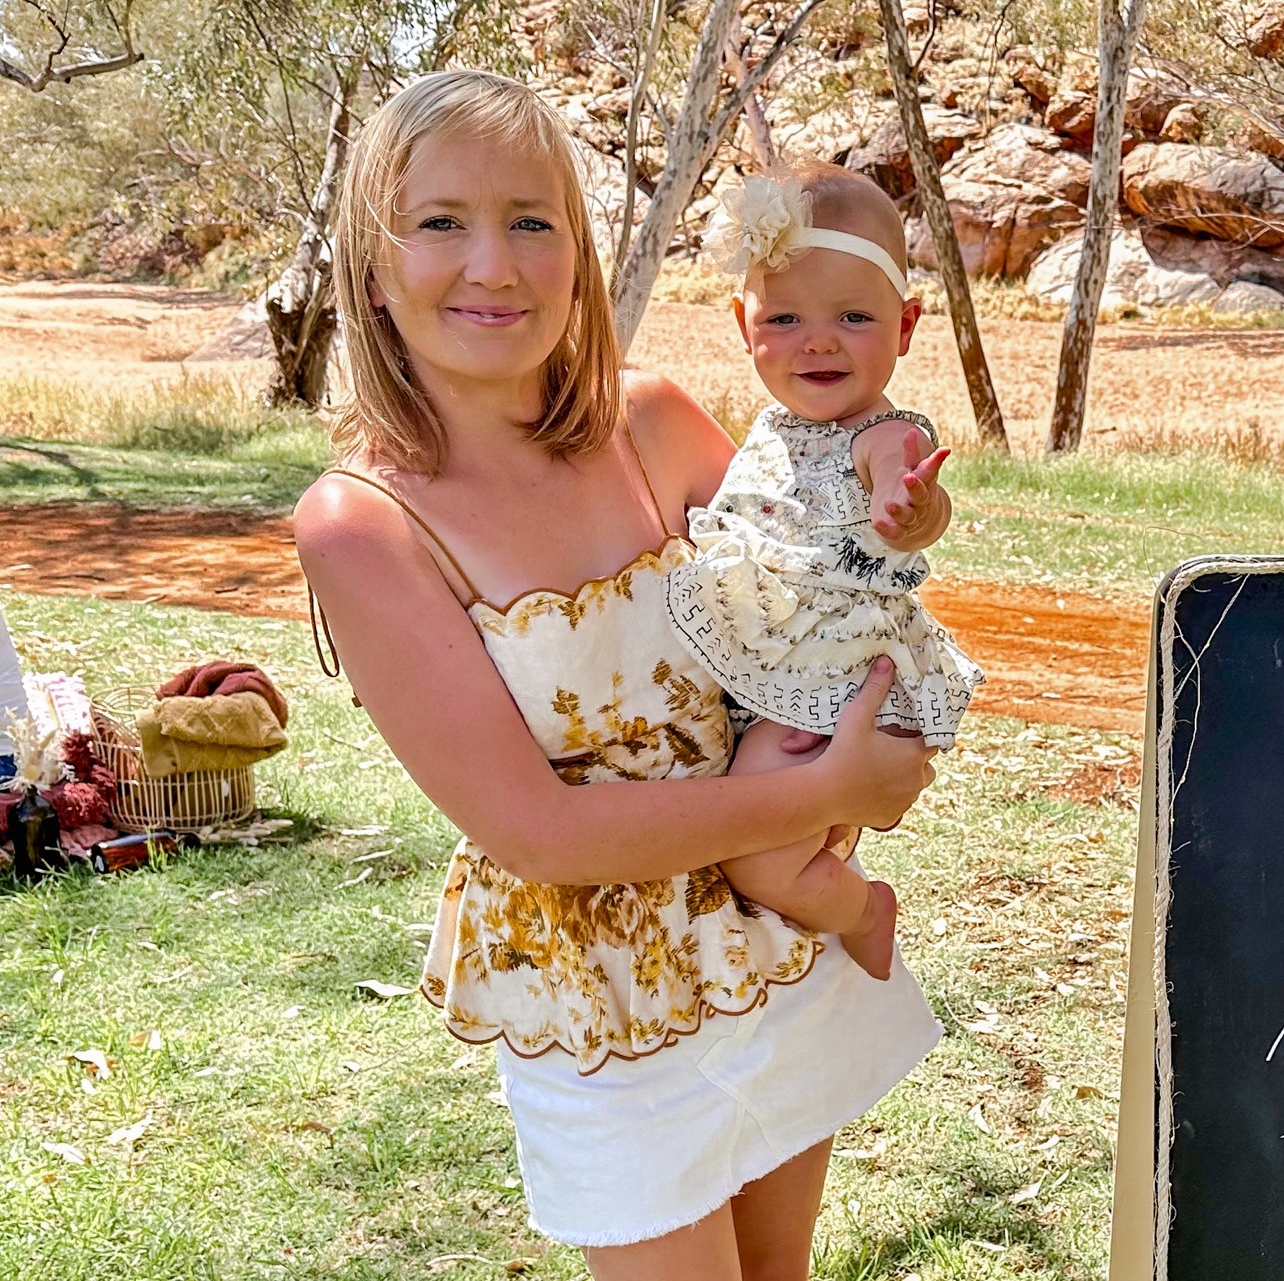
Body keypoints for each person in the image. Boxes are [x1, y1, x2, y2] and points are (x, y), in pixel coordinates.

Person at [292, 69, 942, 1280]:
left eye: (532, 220)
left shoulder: (648, 423)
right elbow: (538, 832)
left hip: (766, 937)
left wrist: (887, 732)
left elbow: (833, 584)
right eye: (442, 222)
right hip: (599, 993)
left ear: (579, 255)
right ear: (373, 263)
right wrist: (822, 791)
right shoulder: (363, 523)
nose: (494, 264)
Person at [668, 165, 983, 984]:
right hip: (767, 660)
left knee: (761, 862)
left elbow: (908, 482)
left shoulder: (880, 433)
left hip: (829, 675)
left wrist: (908, 510)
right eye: (785, 316)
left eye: (853, 315)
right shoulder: (767, 428)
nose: (819, 339)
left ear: (907, 325)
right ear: (744, 325)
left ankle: (863, 908)